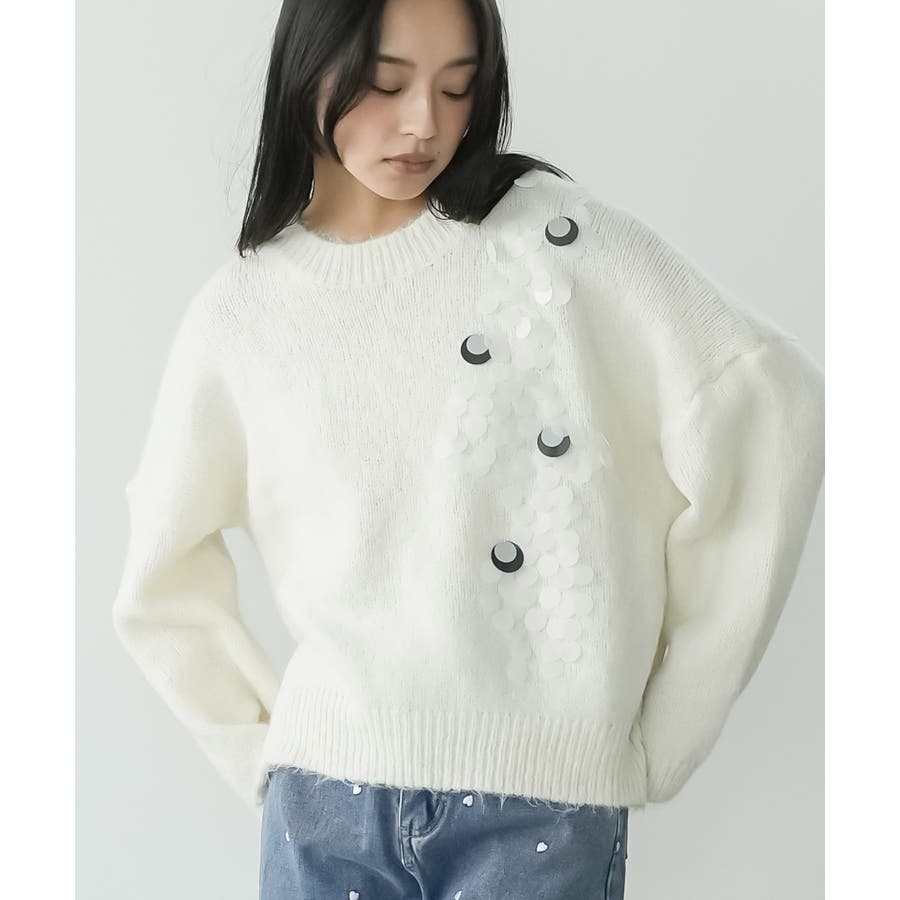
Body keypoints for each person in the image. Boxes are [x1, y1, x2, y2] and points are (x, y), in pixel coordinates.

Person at [111, 0, 825, 897]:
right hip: (324, 809)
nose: (425, 123)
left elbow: (770, 408)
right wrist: (265, 745)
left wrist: (675, 721)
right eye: (386, 83)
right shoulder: (241, 313)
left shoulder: (554, 243)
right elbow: (161, 574)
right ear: (307, 68)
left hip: (543, 810)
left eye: (458, 88)